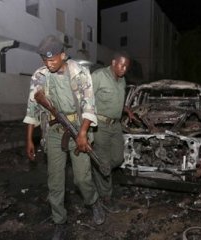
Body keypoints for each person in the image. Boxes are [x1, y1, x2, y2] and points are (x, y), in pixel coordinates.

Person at [23, 35, 105, 240]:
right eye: (45, 60)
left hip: (78, 127)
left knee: (82, 179)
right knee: (55, 181)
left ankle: (93, 202)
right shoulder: (39, 76)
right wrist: (29, 139)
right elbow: (32, 107)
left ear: (63, 55)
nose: (48, 64)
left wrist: (83, 134)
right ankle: (59, 221)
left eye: (52, 60)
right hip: (53, 131)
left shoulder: (80, 73)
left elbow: (89, 105)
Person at [91, 51, 134, 214]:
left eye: (126, 67)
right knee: (105, 163)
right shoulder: (99, 76)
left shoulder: (122, 80)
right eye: (121, 65)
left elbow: (116, 100)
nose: (124, 69)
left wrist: (126, 109)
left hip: (116, 125)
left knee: (118, 158)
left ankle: (97, 167)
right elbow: (86, 99)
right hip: (99, 125)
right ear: (113, 62)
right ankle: (105, 197)